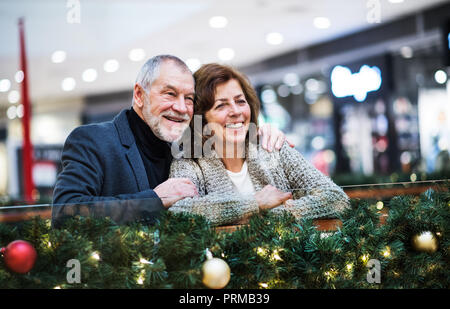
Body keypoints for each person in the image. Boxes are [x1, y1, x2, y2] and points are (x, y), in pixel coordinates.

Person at [52, 55, 289, 225]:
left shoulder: (186, 149)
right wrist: (154, 199)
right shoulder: (93, 140)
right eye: (169, 94)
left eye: (188, 98)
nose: (180, 107)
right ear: (139, 95)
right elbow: (65, 212)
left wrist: (260, 134)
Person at [168, 63, 350, 226]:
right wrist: (256, 203)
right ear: (201, 117)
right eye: (221, 106)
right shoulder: (188, 160)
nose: (236, 111)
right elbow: (179, 213)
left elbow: (336, 199)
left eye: (240, 101)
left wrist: (270, 215)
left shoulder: (272, 146)